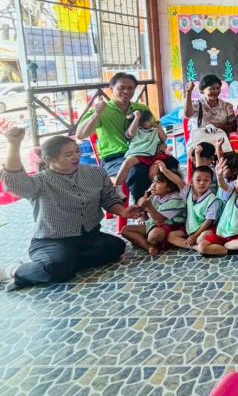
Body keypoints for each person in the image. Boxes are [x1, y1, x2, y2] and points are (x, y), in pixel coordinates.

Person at [0, 122, 141, 290]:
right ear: (49, 160)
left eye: (77, 151)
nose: (76, 156)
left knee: (116, 247)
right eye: (68, 154)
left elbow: (108, 200)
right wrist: (14, 144)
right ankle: (15, 270)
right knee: (58, 266)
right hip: (53, 240)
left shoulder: (95, 173)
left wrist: (124, 211)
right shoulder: (40, 182)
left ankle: (55, 267)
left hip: (89, 236)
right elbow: (14, 183)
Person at [76, 72, 174, 201]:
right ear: (111, 88)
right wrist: (97, 114)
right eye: (121, 87)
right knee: (139, 171)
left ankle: (168, 205)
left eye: (130, 88)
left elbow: (154, 130)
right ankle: (141, 207)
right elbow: (80, 134)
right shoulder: (102, 109)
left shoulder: (141, 108)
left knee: (171, 165)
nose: (126, 91)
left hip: (146, 153)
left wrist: (161, 146)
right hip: (115, 158)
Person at [196, 163, 238, 255]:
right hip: (221, 234)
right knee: (201, 246)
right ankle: (230, 250)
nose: (235, 181)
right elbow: (223, 185)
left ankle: (218, 248)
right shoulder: (232, 193)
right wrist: (219, 176)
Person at [121, 163, 185, 256]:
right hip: (152, 224)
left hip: (170, 227)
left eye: (158, 182)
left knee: (154, 235)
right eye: (153, 182)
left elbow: (160, 219)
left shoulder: (176, 199)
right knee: (125, 230)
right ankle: (149, 247)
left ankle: (145, 241)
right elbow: (141, 203)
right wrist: (142, 204)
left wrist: (148, 206)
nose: (153, 185)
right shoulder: (155, 195)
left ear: (169, 187)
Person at [113, 110, 169, 195]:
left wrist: (159, 127)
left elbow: (164, 139)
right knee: (126, 163)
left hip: (150, 155)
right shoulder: (135, 131)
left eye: (150, 119)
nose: (151, 121)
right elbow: (130, 133)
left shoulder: (155, 131)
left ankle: (153, 191)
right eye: (148, 120)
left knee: (154, 172)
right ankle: (118, 188)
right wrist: (137, 117)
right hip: (137, 154)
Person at [167, 165, 221, 252]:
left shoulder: (213, 200)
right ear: (191, 181)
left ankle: (196, 242)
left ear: (211, 182)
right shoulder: (189, 192)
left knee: (200, 239)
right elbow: (178, 180)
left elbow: (208, 221)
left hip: (205, 229)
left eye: (206, 180)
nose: (202, 183)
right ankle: (195, 247)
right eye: (198, 180)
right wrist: (163, 169)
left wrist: (195, 236)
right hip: (189, 229)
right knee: (171, 236)